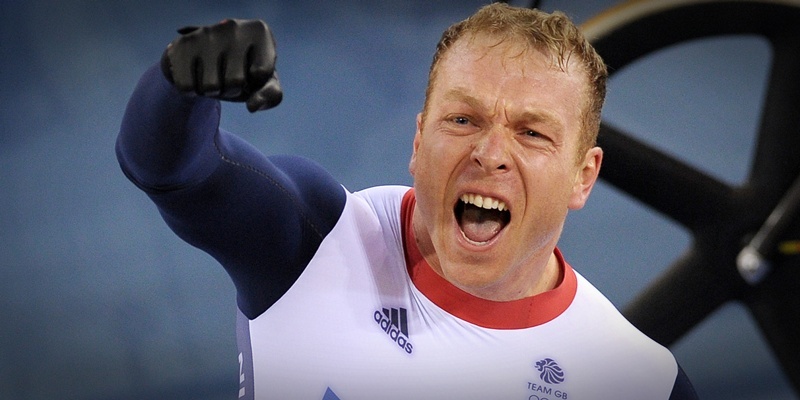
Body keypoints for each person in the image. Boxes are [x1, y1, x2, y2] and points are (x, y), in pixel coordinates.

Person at [117, 3, 698, 399]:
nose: (490, 153)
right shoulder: (318, 241)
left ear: (582, 175)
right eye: (462, 119)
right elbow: (175, 172)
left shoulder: (643, 383)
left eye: (532, 132)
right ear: (419, 141)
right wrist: (177, 85)